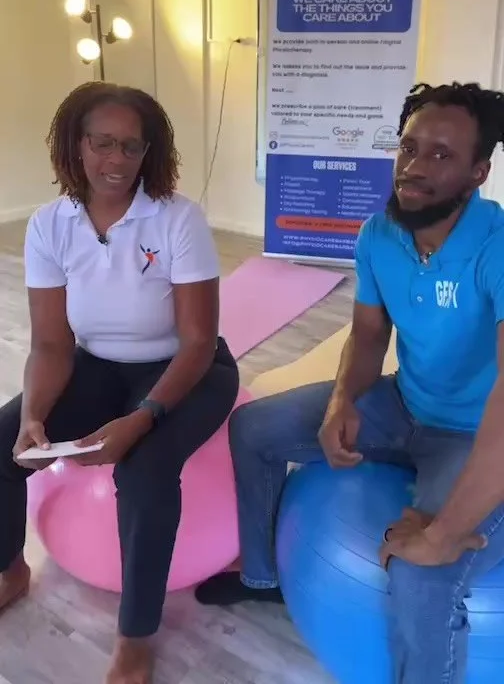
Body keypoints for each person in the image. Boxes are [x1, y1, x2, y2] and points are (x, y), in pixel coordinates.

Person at [196, 81, 504, 684]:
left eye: (441, 155)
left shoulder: (496, 245)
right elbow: (367, 336)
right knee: (253, 428)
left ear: (478, 173)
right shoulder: (378, 234)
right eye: (408, 147)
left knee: (422, 574)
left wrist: (444, 534)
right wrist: (343, 399)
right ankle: (263, 577)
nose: (413, 167)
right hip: (405, 404)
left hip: (473, 434)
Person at [0, 82, 239, 684]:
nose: (117, 160)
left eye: (132, 146)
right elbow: (51, 344)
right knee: (3, 443)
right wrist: (33, 415)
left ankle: (135, 636)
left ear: (148, 152)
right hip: (98, 365)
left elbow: (197, 342)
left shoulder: (177, 218)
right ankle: (10, 569)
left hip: (189, 368)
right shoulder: (49, 226)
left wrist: (142, 418)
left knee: (145, 468)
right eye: (102, 143)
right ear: (75, 145)